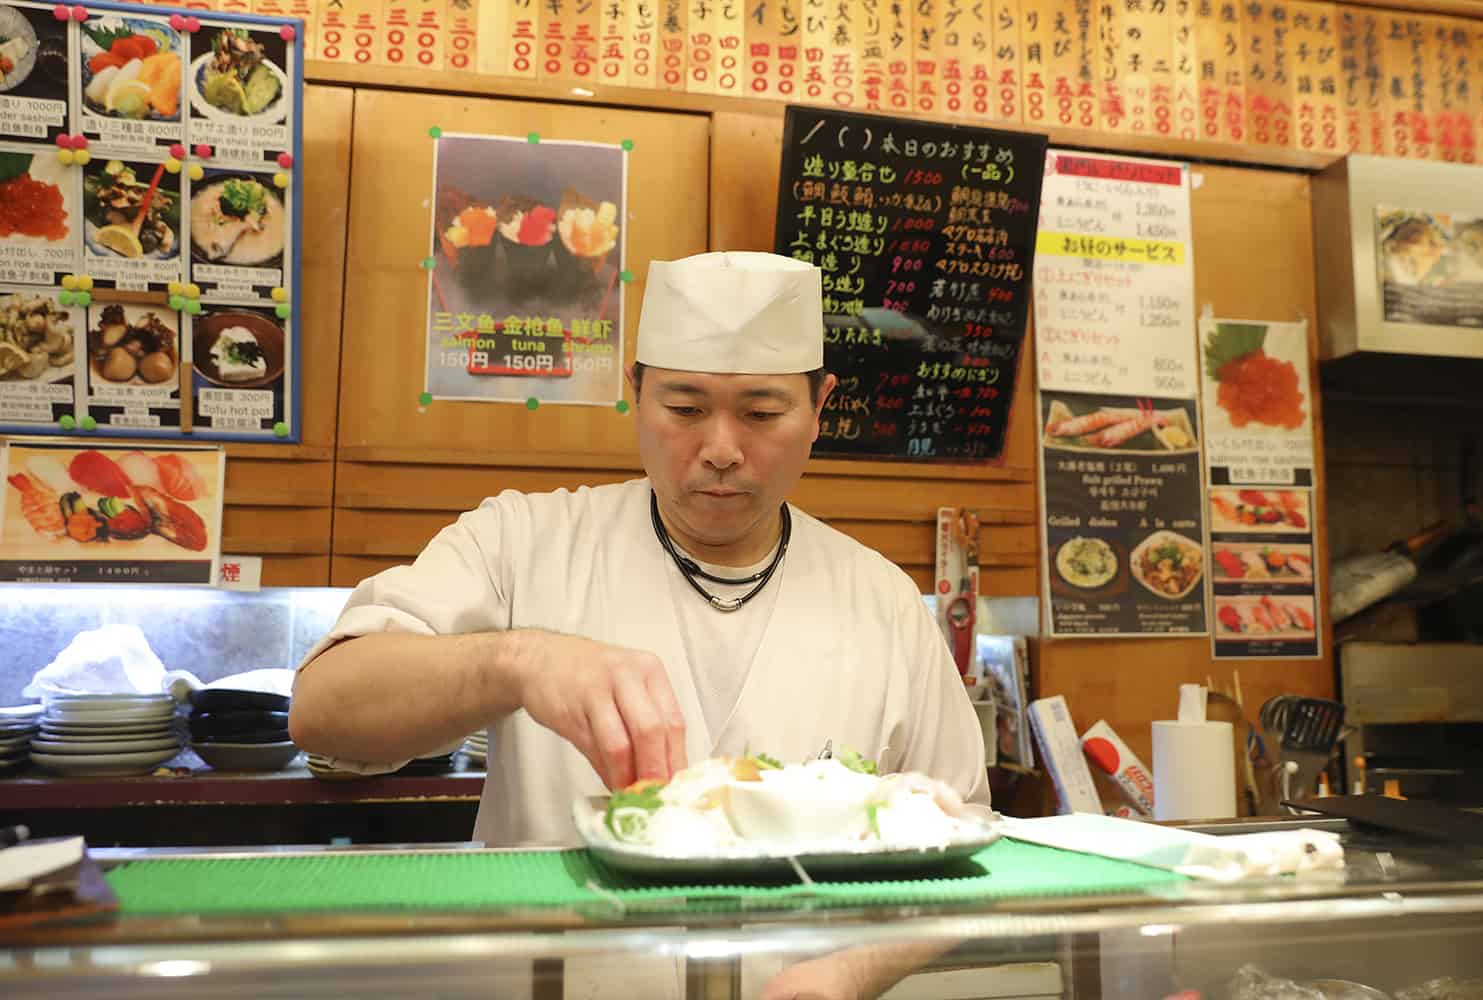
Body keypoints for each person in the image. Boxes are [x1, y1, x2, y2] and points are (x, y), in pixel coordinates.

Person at [291, 250, 987, 997]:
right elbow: (322, 712)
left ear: (821, 409)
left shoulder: (879, 598)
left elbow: (966, 836)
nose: (720, 450)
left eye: (761, 413)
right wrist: (517, 661)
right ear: (635, 393)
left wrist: (846, 976)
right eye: (684, 410)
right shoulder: (522, 542)